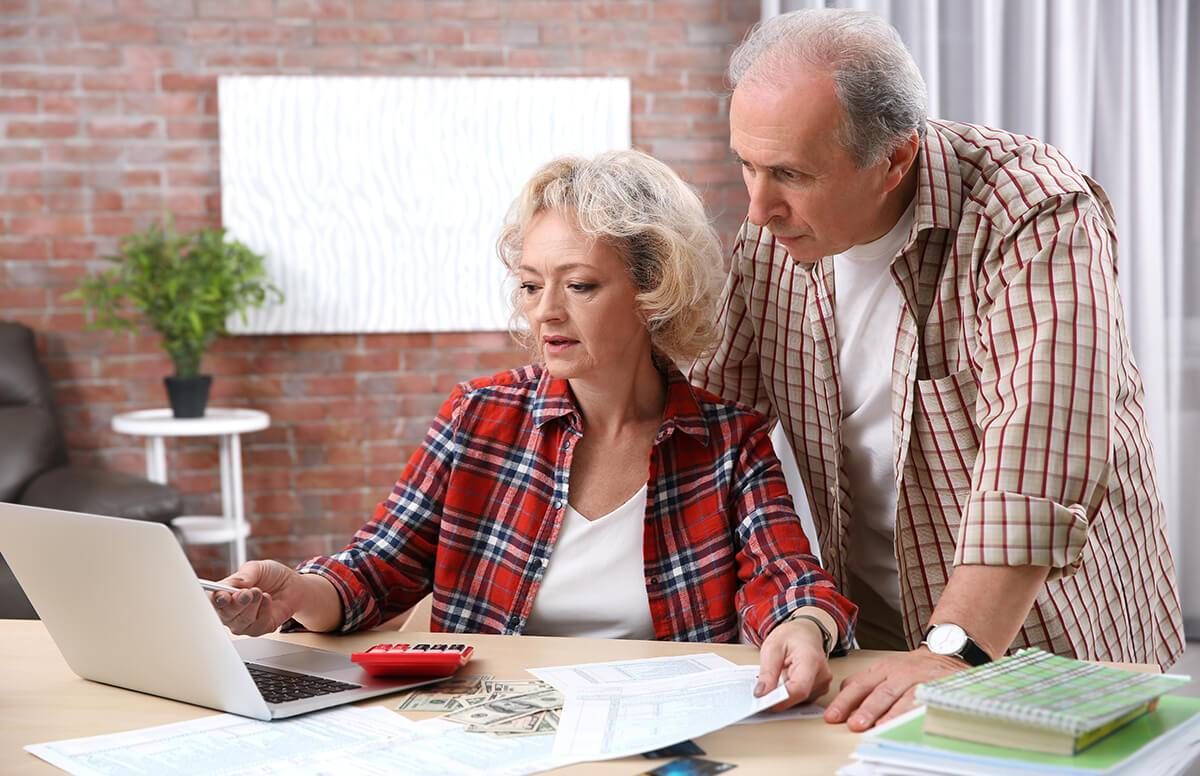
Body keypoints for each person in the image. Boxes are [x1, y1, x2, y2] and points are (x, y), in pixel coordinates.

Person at [211, 149, 858, 710]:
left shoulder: (727, 443)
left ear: (653, 288)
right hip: (487, 729)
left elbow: (788, 577)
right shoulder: (480, 417)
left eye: (579, 285)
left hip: (661, 732)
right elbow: (376, 572)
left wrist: (803, 627)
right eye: (528, 284)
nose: (546, 311)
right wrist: (295, 592)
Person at [692, 8, 1185, 731]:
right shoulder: (773, 235)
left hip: (1047, 646)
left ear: (895, 159)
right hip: (881, 647)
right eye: (747, 164)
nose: (758, 206)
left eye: (790, 173)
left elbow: (1037, 456)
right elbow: (710, 424)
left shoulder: (1031, 212)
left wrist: (955, 649)